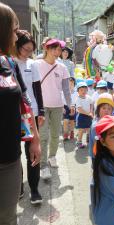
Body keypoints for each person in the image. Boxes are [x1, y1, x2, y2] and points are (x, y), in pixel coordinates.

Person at [0, 2, 41, 223]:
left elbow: (24, 101)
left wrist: (34, 138)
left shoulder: (8, 63)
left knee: (8, 215)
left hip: (9, 159)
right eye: (14, 31)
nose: (17, 38)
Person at [34, 38, 72, 180]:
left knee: (56, 134)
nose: (57, 52)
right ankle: (43, 165)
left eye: (59, 50)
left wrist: (70, 104)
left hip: (57, 106)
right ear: (47, 49)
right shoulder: (36, 64)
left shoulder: (62, 67)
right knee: (43, 136)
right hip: (41, 106)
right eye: (54, 49)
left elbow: (66, 89)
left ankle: (52, 156)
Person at [14, 30, 45, 204]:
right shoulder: (7, 62)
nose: (27, 53)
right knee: (14, 153)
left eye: (30, 50)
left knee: (32, 151)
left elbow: (37, 89)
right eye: (25, 49)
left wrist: (40, 111)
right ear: (17, 45)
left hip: (29, 114)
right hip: (11, 113)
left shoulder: (32, 64)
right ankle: (18, 187)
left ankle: (34, 189)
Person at [89, 93, 114, 158]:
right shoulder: (96, 125)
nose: (106, 111)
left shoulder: (111, 121)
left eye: (109, 109)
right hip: (97, 154)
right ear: (98, 109)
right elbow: (98, 143)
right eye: (104, 108)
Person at [75, 82, 93, 149]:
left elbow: (91, 104)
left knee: (89, 129)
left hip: (88, 116)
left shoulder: (88, 97)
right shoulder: (78, 99)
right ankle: (79, 142)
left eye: (85, 90)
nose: (83, 91)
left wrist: (91, 112)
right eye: (81, 90)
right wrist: (88, 114)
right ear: (78, 91)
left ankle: (88, 140)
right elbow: (79, 109)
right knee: (81, 130)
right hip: (81, 116)